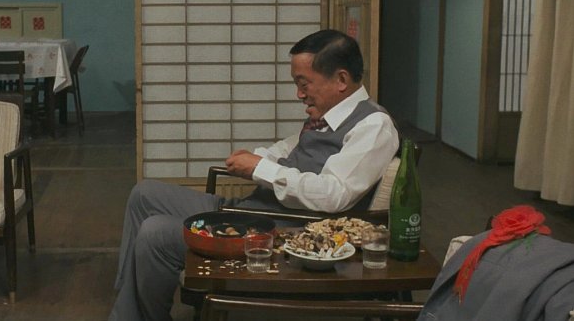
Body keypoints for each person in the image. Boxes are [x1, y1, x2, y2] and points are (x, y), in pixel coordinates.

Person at [109, 29, 400, 321]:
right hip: (253, 211)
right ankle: (128, 305)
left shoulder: (373, 126)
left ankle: (133, 314)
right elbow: (287, 149)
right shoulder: (326, 117)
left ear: (341, 80)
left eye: (304, 83)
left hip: (280, 231)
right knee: (144, 194)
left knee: (156, 233)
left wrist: (260, 168)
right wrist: (255, 159)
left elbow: (334, 194)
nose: (299, 94)